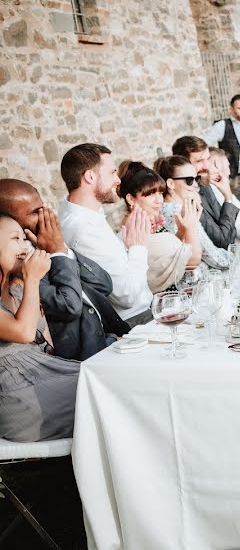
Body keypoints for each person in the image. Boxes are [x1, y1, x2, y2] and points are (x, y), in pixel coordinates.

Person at [0, 180, 130, 361]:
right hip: (82, 357)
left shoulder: (46, 245)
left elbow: (104, 284)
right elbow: (68, 306)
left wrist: (62, 249)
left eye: (43, 208)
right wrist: (57, 253)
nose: (46, 215)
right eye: (36, 212)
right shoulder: (18, 267)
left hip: (111, 336)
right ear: (9, 221)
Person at [0, 213, 80, 442]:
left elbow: (46, 344)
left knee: (106, 381)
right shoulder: (28, 283)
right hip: (17, 396)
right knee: (105, 395)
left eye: (25, 240)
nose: (25, 246)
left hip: (46, 373)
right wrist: (33, 279)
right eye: (15, 238)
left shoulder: (17, 288)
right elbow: (23, 332)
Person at [57, 143, 154, 327]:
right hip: (135, 322)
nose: (118, 180)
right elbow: (128, 296)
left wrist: (129, 236)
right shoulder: (84, 229)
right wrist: (138, 247)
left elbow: (105, 263)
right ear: (90, 177)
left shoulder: (79, 214)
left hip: (142, 313)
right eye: (112, 173)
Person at [118, 162, 202, 293]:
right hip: (165, 304)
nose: (159, 200)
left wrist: (181, 232)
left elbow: (170, 256)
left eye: (160, 193)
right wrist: (191, 227)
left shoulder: (148, 225)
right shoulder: (134, 232)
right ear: (131, 199)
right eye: (150, 194)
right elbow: (192, 261)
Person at [155, 156, 232, 271]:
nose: (195, 185)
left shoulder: (162, 208)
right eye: (189, 180)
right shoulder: (181, 211)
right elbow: (216, 258)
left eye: (196, 179)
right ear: (171, 184)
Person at [173, 136, 239, 250]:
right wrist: (228, 197)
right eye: (199, 161)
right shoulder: (186, 196)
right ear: (183, 163)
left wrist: (227, 196)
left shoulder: (204, 185)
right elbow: (223, 241)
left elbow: (229, 234)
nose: (207, 166)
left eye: (208, 159)